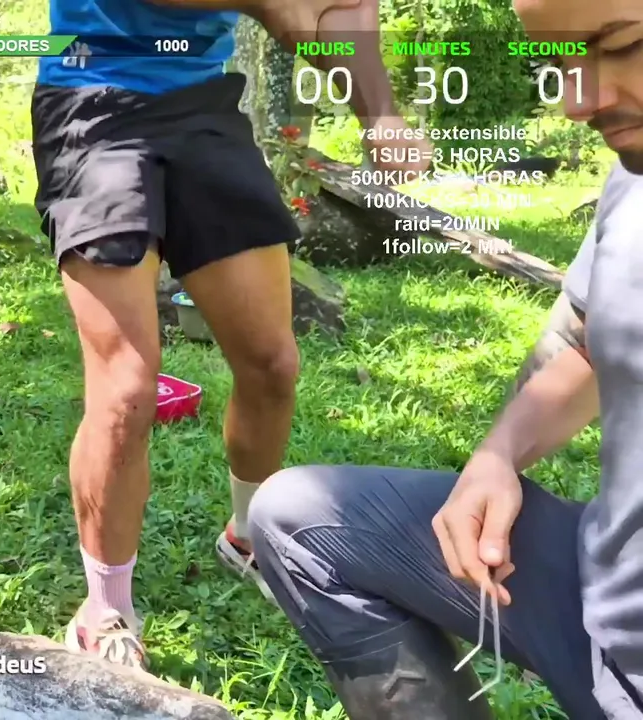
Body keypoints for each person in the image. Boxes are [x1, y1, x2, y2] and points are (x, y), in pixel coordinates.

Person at [248, 1, 643, 715]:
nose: (580, 101)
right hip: (605, 593)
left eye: (622, 44)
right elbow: (589, 337)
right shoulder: (633, 178)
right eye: (562, 62)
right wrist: (497, 457)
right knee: (300, 520)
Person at [32, 0, 431, 669]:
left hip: (203, 104)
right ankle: (105, 606)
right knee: (126, 388)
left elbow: (347, 7)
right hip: (93, 100)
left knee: (272, 363)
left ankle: (248, 538)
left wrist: (380, 115)